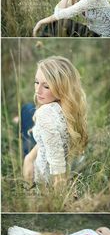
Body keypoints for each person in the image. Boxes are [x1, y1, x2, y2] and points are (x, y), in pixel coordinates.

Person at [22, 56, 87, 187]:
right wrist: (29, 157)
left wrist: (57, 203)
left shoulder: (44, 114)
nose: (37, 90)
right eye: (36, 82)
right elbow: (50, 139)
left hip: (39, 178)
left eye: (46, 86)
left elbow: (58, 168)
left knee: (26, 109)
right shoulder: (71, 109)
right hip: (43, 153)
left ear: (62, 88)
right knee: (28, 109)